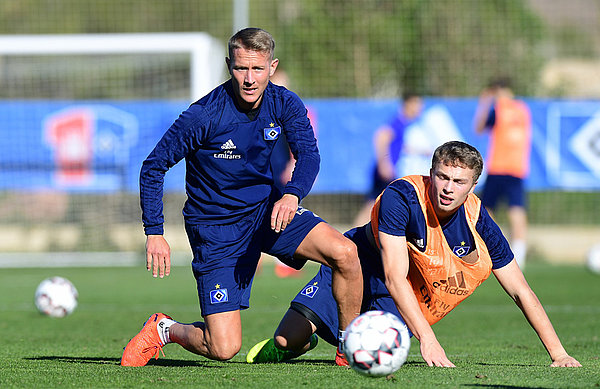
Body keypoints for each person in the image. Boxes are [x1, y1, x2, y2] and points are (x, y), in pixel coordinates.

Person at [120, 27, 362, 366]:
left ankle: (350, 348)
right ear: (228, 65)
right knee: (224, 348)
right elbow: (153, 166)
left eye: (257, 69)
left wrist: (292, 195)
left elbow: (309, 155)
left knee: (346, 253)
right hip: (216, 228)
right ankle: (165, 329)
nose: (249, 79)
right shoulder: (203, 115)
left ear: (272, 67)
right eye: (241, 68)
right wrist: (155, 231)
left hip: (266, 212)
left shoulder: (284, 103)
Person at [247, 141, 581, 368]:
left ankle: (344, 342)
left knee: (369, 357)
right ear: (431, 174)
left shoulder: (480, 222)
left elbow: (520, 290)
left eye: (459, 181)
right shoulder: (402, 196)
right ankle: (301, 342)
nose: (448, 188)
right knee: (287, 339)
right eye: (443, 177)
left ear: (474, 185)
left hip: (400, 296)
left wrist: (559, 354)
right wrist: (429, 340)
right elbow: (393, 274)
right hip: (359, 266)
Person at [474, 77, 531, 268]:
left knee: (486, 210)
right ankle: (519, 253)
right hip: (517, 168)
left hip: (499, 167)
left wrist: (484, 102)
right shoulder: (523, 110)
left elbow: (479, 128)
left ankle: (492, 248)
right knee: (516, 210)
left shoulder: (499, 110)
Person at [353, 92, 423, 226]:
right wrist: (384, 163)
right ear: (408, 104)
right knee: (375, 202)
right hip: (385, 169)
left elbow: (400, 145)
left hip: (387, 168)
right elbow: (381, 136)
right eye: (417, 104)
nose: (419, 108)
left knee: (376, 201)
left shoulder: (404, 124)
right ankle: (355, 234)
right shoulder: (398, 121)